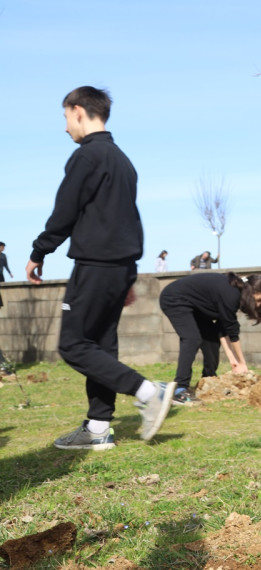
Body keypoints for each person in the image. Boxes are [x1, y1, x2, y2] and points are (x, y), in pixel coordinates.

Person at [26, 86, 174, 449]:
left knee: (73, 345)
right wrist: (128, 273)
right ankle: (97, 427)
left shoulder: (88, 156)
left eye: (65, 118)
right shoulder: (123, 160)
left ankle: (148, 392)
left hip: (95, 265)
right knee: (102, 347)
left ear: (78, 111)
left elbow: (66, 210)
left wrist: (39, 251)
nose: (65, 128)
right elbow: (126, 218)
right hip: (119, 265)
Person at [159, 272, 261, 404]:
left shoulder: (236, 293)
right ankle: (179, 389)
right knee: (192, 338)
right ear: (251, 291)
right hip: (174, 298)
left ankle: (208, 381)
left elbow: (223, 328)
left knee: (211, 340)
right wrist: (242, 363)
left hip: (195, 306)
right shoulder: (232, 294)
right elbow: (233, 333)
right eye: (259, 300)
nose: (259, 305)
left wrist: (233, 361)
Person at [0, 242, 11, 312]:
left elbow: (6, 265)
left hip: (1, 274)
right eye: (2, 247)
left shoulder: (3, 256)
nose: (3, 248)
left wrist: (10, 273)